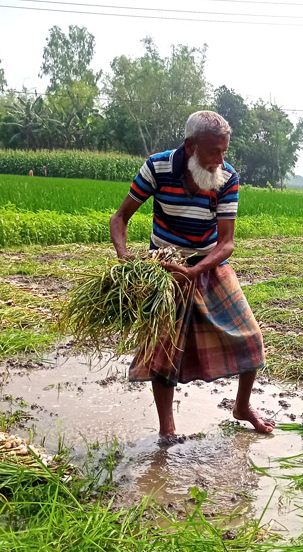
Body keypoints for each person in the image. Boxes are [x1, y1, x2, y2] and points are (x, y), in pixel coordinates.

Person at [109, 111, 273, 440]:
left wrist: (195, 270)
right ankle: (167, 428)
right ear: (190, 145)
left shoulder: (227, 177)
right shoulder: (157, 167)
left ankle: (241, 406)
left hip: (208, 262)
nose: (220, 159)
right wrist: (127, 260)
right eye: (214, 150)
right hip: (165, 266)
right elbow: (120, 218)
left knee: (250, 338)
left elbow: (226, 243)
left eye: (224, 151)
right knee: (162, 352)